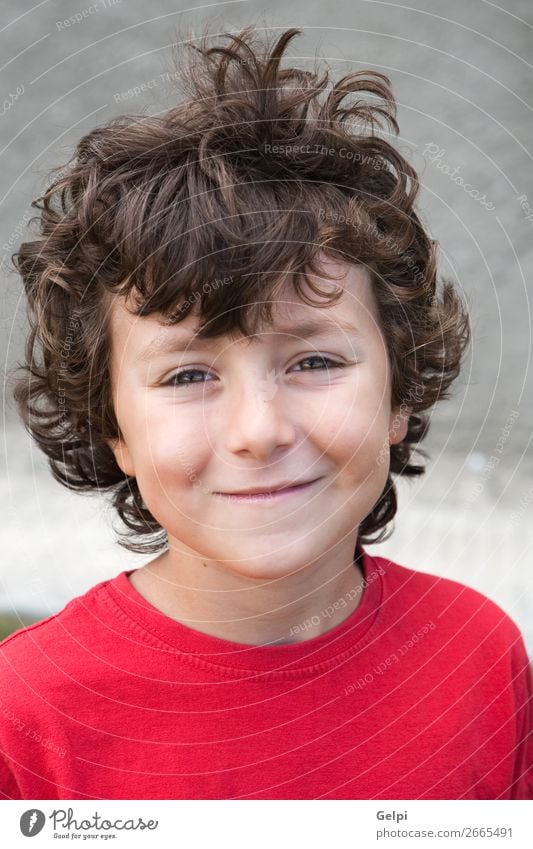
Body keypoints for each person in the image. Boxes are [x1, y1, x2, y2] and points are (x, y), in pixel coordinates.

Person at [1, 24, 531, 801]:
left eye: (314, 360)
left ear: (399, 394)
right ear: (113, 429)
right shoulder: (27, 714)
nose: (258, 431)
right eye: (186, 374)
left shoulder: (479, 655)